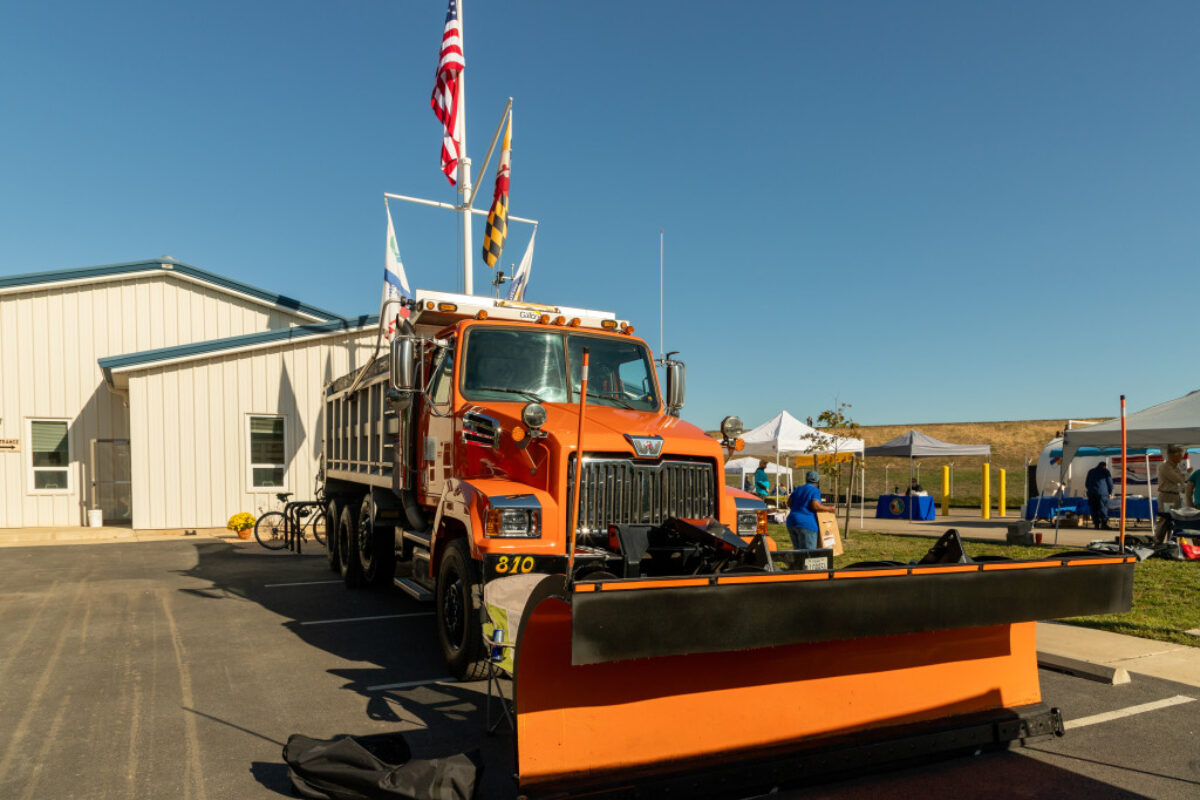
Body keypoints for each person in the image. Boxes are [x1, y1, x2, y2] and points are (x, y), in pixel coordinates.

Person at [786, 470, 837, 550]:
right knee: (809, 553)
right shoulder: (815, 490)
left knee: (797, 552)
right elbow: (815, 505)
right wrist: (830, 509)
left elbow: (789, 503)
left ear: (806, 479)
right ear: (817, 480)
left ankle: (798, 562)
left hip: (791, 522)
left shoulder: (798, 489)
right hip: (807, 523)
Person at [1155, 445, 1189, 543]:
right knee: (1165, 519)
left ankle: (1172, 542)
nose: (1182, 458)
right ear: (1173, 456)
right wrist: (1187, 474)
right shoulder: (1165, 467)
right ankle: (1158, 542)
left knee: (1175, 519)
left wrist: (1184, 489)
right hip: (1167, 496)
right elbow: (1179, 479)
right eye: (1180, 455)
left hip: (1175, 496)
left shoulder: (1175, 467)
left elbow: (1180, 482)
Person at [1084, 460, 1114, 530]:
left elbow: (1087, 483)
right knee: (1103, 508)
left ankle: (1096, 524)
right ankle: (1104, 524)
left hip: (1091, 493)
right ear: (1104, 466)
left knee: (1094, 509)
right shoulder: (1105, 471)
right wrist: (1110, 492)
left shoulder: (1090, 471)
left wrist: (1091, 489)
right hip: (1102, 493)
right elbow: (1110, 483)